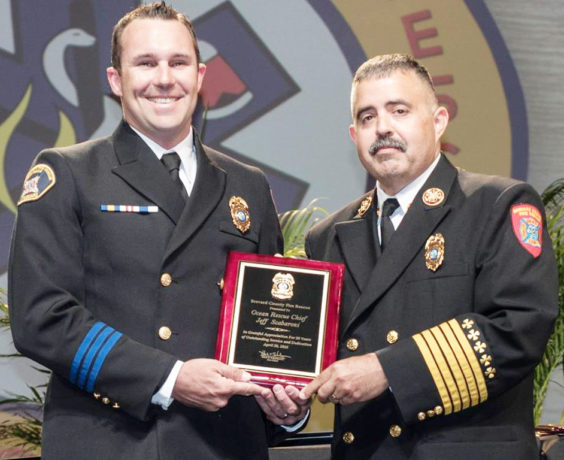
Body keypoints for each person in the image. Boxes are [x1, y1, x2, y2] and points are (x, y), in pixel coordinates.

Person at [8, 3, 308, 459]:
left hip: (224, 444)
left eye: (178, 62)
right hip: (114, 440)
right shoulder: (69, 173)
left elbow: (265, 328)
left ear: (200, 76)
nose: (164, 78)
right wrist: (170, 378)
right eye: (146, 63)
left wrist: (282, 404)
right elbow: (40, 317)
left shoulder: (246, 184)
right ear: (115, 80)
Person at [300, 54, 558, 459]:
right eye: (367, 117)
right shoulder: (327, 236)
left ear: (438, 121)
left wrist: (387, 370)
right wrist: (283, 397)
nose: (382, 127)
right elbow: (308, 355)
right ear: (354, 135)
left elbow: (519, 327)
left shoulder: (496, 205)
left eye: (399, 110)